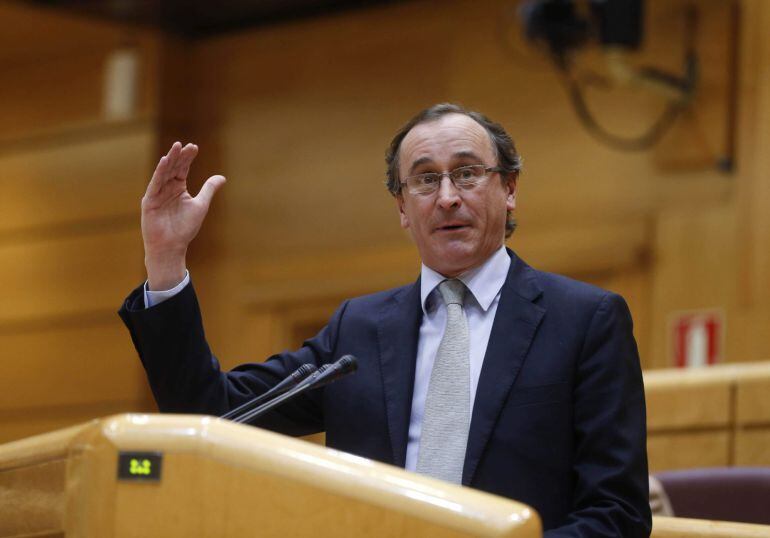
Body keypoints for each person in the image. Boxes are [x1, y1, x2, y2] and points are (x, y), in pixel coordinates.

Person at [119, 103, 651, 536]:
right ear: (401, 207)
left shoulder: (584, 321)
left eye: (467, 174)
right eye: (424, 181)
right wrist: (166, 260)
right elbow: (210, 412)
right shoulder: (359, 329)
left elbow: (618, 516)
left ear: (509, 189)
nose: (447, 198)